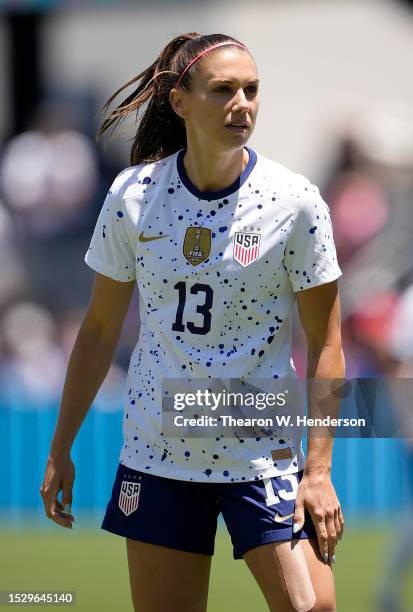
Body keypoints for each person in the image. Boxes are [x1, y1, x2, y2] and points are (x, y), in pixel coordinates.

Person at [40, 32, 345, 612]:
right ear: (180, 102)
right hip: (159, 454)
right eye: (224, 90)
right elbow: (99, 331)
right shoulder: (132, 196)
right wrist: (61, 447)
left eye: (252, 90)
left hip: (264, 454)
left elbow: (327, 341)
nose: (243, 104)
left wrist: (319, 470)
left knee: (316, 610)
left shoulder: (295, 201)